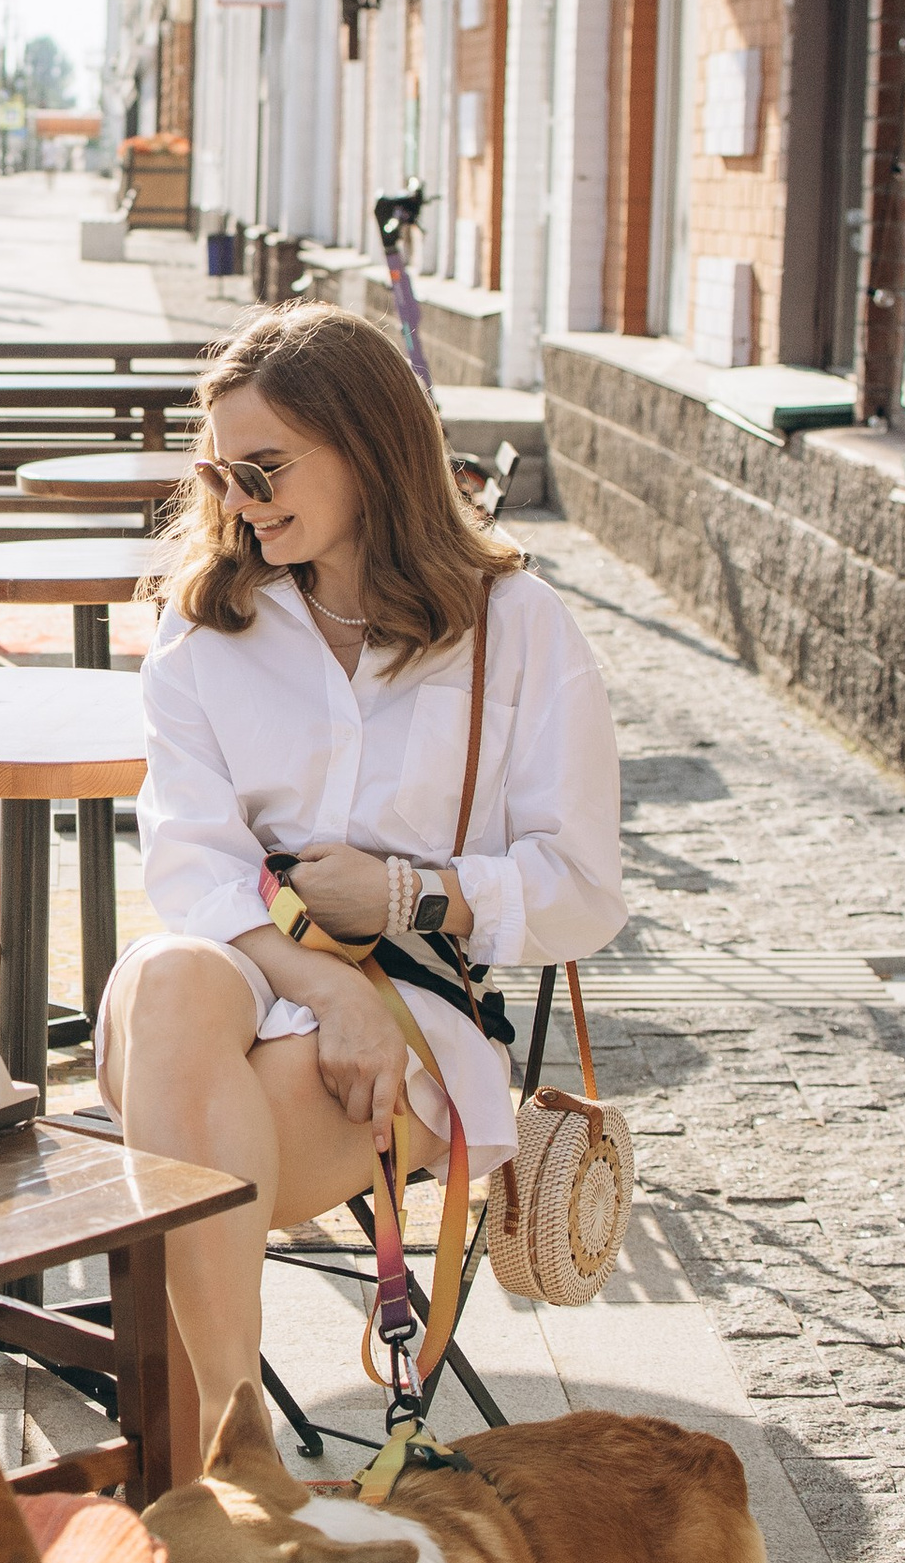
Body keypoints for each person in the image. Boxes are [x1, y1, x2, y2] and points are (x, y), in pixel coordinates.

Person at [96, 304, 623, 1469]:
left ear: (369, 446)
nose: (239, 500)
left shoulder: (517, 631)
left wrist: (404, 901)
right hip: (240, 972)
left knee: (176, 1158)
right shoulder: (204, 637)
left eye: (265, 468)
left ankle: (202, 1470)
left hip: (421, 1007)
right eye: (222, 474)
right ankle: (237, 1452)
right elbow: (190, 863)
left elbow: (584, 890)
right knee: (170, 974)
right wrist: (317, 988)